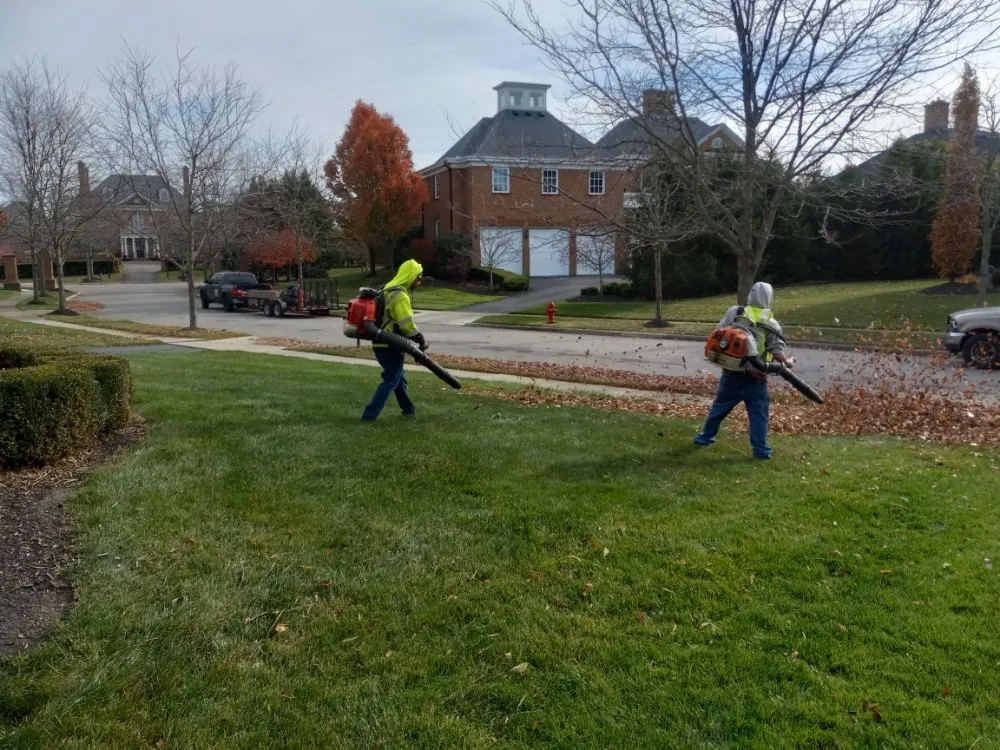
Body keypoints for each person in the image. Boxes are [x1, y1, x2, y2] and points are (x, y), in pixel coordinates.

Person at [694, 281, 795, 460]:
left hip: (731, 372)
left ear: (750, 295)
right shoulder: (771, 323)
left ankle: (705, 438)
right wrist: (787, 362)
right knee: (758, 414)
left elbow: (718, 332)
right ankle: (761, 451)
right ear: (769, 298)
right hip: (756, 377)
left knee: (719, 408)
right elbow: (776, 351)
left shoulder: (735, 312)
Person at [361, 259, 428, 422]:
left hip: (380, 343)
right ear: (411, 275)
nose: (420, 281)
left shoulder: (387, 289)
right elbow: (406, 324)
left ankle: (408, 410)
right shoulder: (399, 295)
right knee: (391, 380)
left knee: (399, 378)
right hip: (391, 345)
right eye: (419, 277)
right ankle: (369, 416)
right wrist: (421, 339)